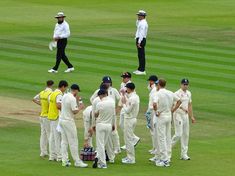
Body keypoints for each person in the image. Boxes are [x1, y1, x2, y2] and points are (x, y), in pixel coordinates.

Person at [153, 79, 181, 167]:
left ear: (159, 85)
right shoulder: (170, 92)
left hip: (161, 116)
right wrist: (172, 110)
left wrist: (156, 111)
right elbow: (179, 101)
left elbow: (154, 104)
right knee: (167, 137)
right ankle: (168, 157)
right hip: (169, 116)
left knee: (161, 138)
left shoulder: (157, 93)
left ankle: (164, 160)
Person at [90, 76, 121, 154]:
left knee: (114, 132)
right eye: (106, 82)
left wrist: (117, 109)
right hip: (102, 114)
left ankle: (117, 148)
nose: (108, 84)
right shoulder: (98, 91)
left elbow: (120, 99)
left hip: (111, 114)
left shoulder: (114, 90)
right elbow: (92, 99)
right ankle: (102, 149)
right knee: (102, 133)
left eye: (109, 82)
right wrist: (97, 107)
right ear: (103, 82)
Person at [59, 84, 88, 168]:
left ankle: (64, 160)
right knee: (73, 141)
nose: (77, 93)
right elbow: (75, 111)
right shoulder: (71, 98)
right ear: (75, 90)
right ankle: (77, 161)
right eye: (77, 91)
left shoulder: (65, 95)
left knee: (64, 141)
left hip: (62, 120)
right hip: (68, 121)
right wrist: (80, 107)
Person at [171, 79, 196, 160]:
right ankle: (167, 149)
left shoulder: (189, 93)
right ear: (181, 85)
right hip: (178, 114)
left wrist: (191, 116)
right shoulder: (176, 93)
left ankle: (184, 154)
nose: (185, 86)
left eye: (186, 84)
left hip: (185, 116)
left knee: (186, 134)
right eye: (184, 84)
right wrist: (181, 108)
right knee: (178, 134)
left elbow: (190, 105)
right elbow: (174, 104)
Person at [92, 89, 116, 169]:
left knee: (100, 145)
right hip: (108, 125)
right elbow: (113, 115)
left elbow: (96, 115)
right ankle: (98, 158)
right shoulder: (112, 103)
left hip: (100, 125)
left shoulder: (99, 104)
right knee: (103, 144)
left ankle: (103, 163)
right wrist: (113, 124)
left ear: (101, 95)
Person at [47, 80, 68, 161]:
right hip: (56, 117)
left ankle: (52, 156)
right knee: (58, 137)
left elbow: (50, 103)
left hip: (51, 116)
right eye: (65, 88)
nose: (65, 90)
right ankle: (59, 156)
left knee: (52, 137)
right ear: (63, 86)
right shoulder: (59, 94)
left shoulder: (52, 93)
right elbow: (58, 106)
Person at [33, 80, 54, 158]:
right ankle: (52, 154)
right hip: (47, 117)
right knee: (50, 134)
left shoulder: (42, 92)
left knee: (43, 134)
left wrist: (42, 104)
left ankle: (43, 152)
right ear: (52, 85)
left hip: (41, 116)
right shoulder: (51, 93)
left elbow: (34, 99)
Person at [119, 72, 140, 151]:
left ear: (128, 78)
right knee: (121, 125)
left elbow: (128, 98)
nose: (123, 78)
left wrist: (124, 103)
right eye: (123, 77)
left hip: (127, 108)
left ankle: (130, 141)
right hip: (124, 106)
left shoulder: (130, 86)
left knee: (126, 127)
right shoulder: (123, 84)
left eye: (124, 77)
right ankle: (133, 139)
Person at [121, 83, 140, 164]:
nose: (126, 90)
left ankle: (131, 158)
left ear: (129, 89)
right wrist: (124, 95)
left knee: (128, 140)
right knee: (128, 139)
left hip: (129, 119)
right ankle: (129, 157)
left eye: (127, 88)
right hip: (133, 119)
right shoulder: (135, 96)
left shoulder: (132, 98)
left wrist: (123, 104)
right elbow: (128, 99)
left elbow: (127, 110)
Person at [145, 75, 159, 162]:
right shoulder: (153, 88)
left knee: (153, 130)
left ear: (152, 81)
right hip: (151, 110)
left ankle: (155, 149)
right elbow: (149, 88)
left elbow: (154, 102)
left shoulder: (154, 90)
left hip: (152, 110)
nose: (149, 82)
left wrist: (149, 111)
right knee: (152, 130)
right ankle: (154, 147)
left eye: (150, 81)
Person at [133, 10, 148, 75]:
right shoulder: (140, 22)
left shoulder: (143, 23)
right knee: (139, 55)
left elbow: (141, 33)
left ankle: (142, 70)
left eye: (139, 15)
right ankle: (140, 69)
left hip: (141, 39)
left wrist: (139, 42)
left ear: (142, 16)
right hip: (140, 39)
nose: (138, 16)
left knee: (141, 55)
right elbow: (136, 24)